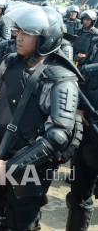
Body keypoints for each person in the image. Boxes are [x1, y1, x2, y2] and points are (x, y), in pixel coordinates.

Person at [0, 5, 81, 230]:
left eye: (26, 33)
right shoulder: (11, 62)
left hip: (30, 165)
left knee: (22, 221)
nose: (18, 37)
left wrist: (10, 166)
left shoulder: (61, 78)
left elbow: (58, 136)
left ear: (46, 38)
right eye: (18, 31)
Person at [66, 38, 98, 230]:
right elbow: (75, 86)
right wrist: (78, 109)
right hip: (90, 139)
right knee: (78, 196)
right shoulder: (90, 70)